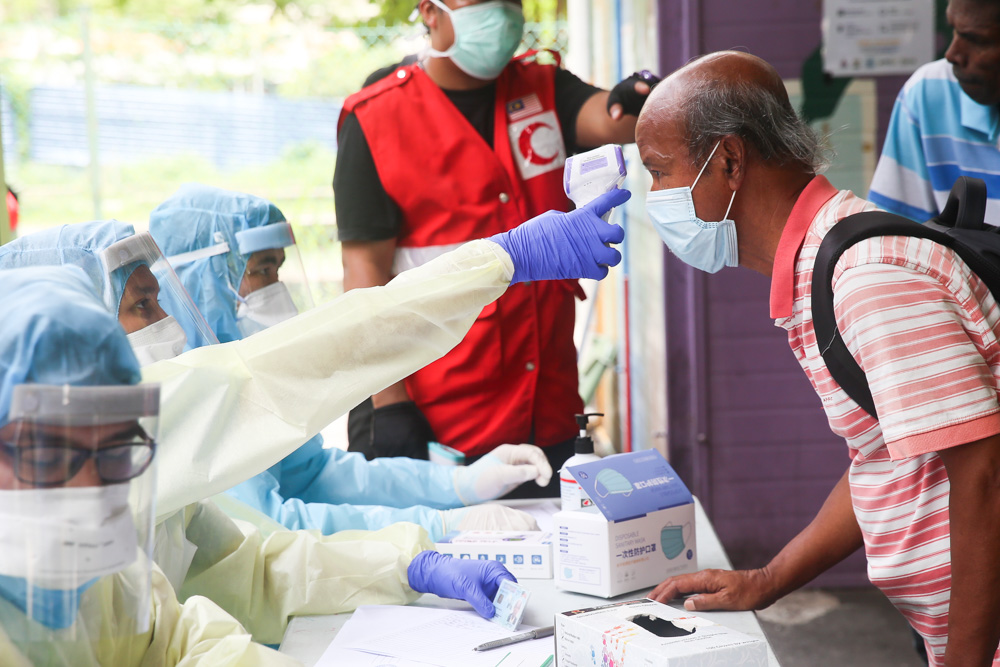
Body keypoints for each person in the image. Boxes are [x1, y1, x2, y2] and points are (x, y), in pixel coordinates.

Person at [1, 184, 630, 643]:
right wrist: (497, 261)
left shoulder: (106, 480)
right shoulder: (136, 425)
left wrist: (414, 551)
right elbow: (302, 364)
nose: (165, 322)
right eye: (142, 305)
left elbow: (222, 589)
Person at [636, 51, 1000, 667]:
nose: (653, 197)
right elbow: (883, 457)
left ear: (727, 161)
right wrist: (767, 579)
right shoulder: (820, 272)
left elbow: (984, 475)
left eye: (658, 171)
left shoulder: (866, 280)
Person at [334, 0, 657, 486]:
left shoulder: (543, 90)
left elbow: (610, 118)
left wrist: (642, 100)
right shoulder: (375, 119)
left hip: (545, 409)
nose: (502, 12)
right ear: (430, 12)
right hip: (440, 420)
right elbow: (363, 282)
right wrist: (390, 406)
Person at [148, 183, 547, 540]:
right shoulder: (192, 397)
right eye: (262, 269)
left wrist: (458, 484)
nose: (277, 289)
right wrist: (436, 526)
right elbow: (270, 528)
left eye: (278, 269)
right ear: (203, 278)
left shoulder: (240, 379)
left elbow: (316, 474)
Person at [0, 264, 299, 665]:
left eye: (112, 445)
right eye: (53, 453)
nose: (93, 483)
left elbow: (181, 643)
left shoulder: (98, 566)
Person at [869, 0, 1000, 222]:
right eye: (954, 30)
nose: (952, 54)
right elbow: (893, 244)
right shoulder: (930, 93)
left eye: (976, 40)